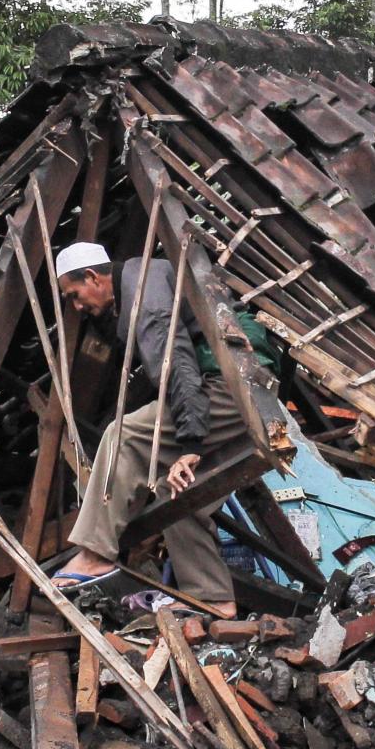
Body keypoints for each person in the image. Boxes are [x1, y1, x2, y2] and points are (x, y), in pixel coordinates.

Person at [51, 241, 270, 605]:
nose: (76, 307)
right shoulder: (143, 278)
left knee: (124, 436)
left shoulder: (145, 295)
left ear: (93, 276)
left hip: (233, 385)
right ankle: (214, 599)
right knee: (179, 494)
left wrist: (190, 445)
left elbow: (179, 370)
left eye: (74, 295)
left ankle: (95, 554)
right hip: (249, 386)